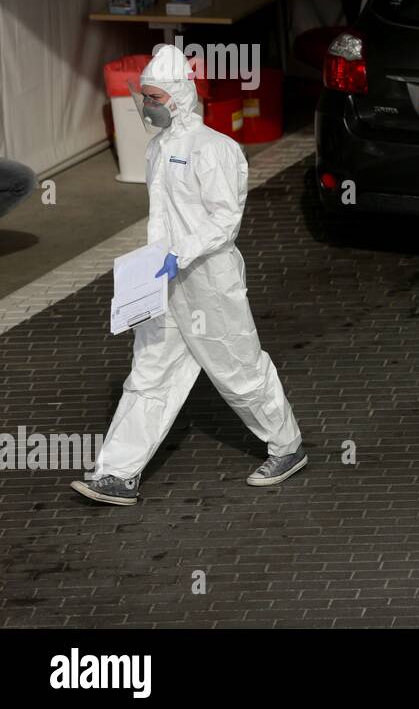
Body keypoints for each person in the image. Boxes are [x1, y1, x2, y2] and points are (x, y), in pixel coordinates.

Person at [71, 45, 305, 506]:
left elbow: (224, 220)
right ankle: (116, 474)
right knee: (150, 372)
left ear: (178, 96)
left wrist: (180, 254)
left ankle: (287, 447)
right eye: (146, 97)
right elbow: (161, 216)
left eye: (155, 97)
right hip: (166, 278)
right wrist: (153, 264)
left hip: (209, 281)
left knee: (237, 369)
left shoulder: (216, 150)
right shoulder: (158, 148)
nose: (148, 105)